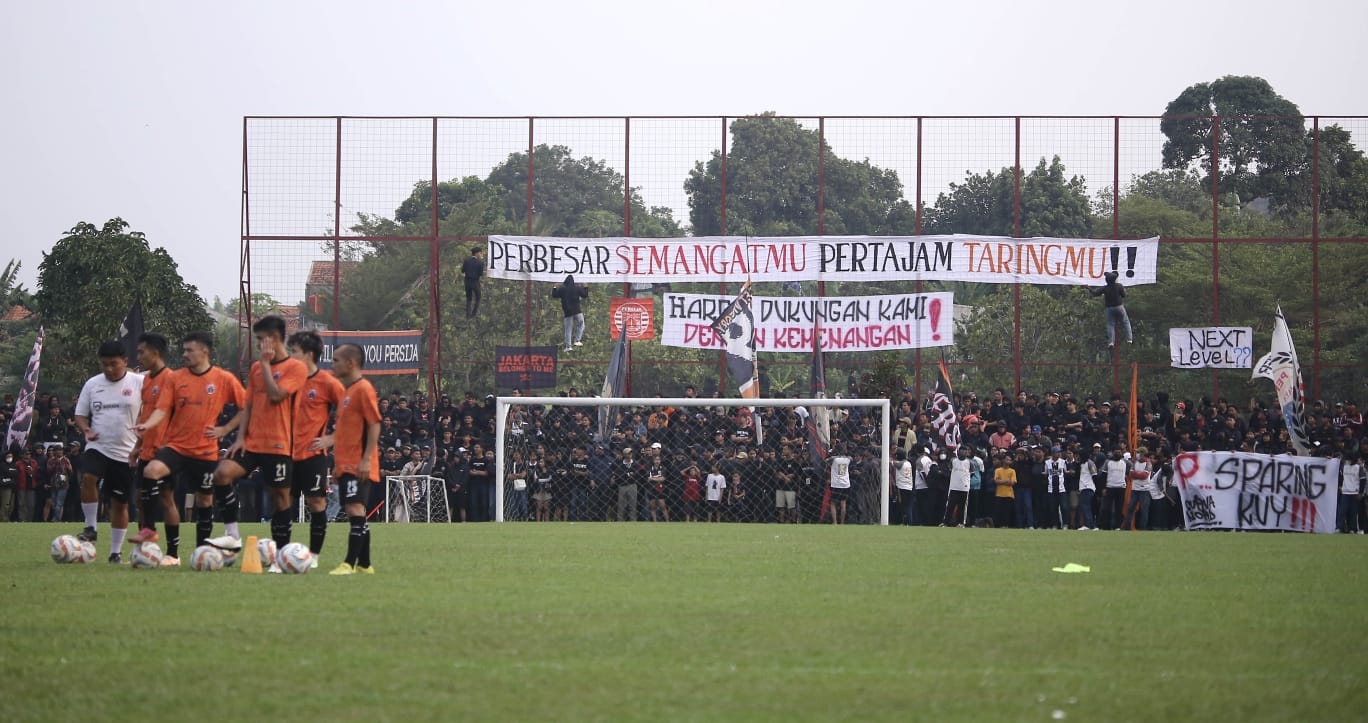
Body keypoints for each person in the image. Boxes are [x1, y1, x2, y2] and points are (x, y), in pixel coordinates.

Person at [133, 331, 245, 563]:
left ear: (205, 352)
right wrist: (147, 426)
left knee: (205, 501)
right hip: (176, 447)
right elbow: (161, 410)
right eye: (183, 350)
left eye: (189, 350)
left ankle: (200, 551)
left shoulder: (223, 379)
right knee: (150, 471)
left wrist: (225, 430)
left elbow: (246, 408)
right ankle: (149, 530)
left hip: (205, 451)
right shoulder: (176, 378)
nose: (184, 354)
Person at [213, 316, 307, 569]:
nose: (258, 345)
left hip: (279, 444)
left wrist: (265, 365)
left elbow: (276, 396)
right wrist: (240, 437)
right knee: (221, 474)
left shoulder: (296, 368)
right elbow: (249, 405)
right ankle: (232, 536)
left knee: (280, 498)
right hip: (252, 443)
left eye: (260, 340)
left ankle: (281, 557)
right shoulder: (256, 368)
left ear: (274, 339)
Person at [72, 340, 144, 563]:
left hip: (126, 452)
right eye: (105, 365)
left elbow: (155, 406)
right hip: (98, 446)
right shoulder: (93, 384)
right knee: (88, 477)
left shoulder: (139, 382)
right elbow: (80, 415)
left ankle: (115, 552)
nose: (110, 369)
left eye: (114, 364)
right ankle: (91, 527)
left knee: (119, 503)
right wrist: (86, 429)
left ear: (125, 361)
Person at [287, 330, 345, 564]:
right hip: (285, 453)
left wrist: (331, 439)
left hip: (313, 455)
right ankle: (282, 553)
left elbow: (350, 414)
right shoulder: (287, 380)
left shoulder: (327, 382)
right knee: (283, 501)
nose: (290, 356)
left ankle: (313, 555)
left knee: (316, 502)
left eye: (294, 352)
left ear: (309, 354)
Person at [324, 344, 381, 575]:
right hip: (346, 464)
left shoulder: (363, 389)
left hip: (359, 464)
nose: (332, 364)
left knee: (356, 509)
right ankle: (365, 565)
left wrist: (366, 459)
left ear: (351, 363)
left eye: (336, 360)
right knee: (353, 510)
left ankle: (348, 563)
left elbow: (375, 424)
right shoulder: (347, 391)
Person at [128, 333, 172, 544]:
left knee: (166, 499)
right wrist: (138, 445)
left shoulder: (171, 379)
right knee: (141, 499)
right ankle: (146, 546)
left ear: (155, 353)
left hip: (165, 449)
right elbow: (146, 413)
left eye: (141, 352)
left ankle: (173, 553)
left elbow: (168, 412)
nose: (139, 356)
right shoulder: (146, 379)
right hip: (146, 448)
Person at [1090, 270, 1133, 348]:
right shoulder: (1119, 286)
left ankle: (1111, 342)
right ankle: (1129, 339)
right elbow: (1124, 295)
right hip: (1119, 307)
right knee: (1126, 322)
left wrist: (1088, 288)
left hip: (1109, 308)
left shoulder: (1105, 288)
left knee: (1110, 325)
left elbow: (1095, 293)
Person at [551, 274, 589, 352]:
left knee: (568, 329)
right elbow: (585, 295)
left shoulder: (562, 290)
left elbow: (554, 295)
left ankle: (568, 346)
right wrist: (585, 287)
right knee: (581, 323)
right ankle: (577, 340)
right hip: (577, 311)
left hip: (567, 312)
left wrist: (554, 287)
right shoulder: (577, 288)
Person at [827, 443, 852, 525]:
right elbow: (851, 458)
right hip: (845, 484)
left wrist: (832, 452)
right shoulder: (848, 459)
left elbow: (826, 461)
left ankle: (835, 522)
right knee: (843, 503)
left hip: (836, 484)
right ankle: (842, 522)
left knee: (833, 503)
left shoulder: (834, 459)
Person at [461, 246, 485, 318]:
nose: (480, 255)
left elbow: (463, 270)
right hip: (475, 282)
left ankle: (468, 314)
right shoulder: (480, 263)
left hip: (467, 281)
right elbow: (480, 274)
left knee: (469, 298)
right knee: (478, 297)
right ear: (477, 253)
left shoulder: (466, 261)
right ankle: (473, 313)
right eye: (480, 253)